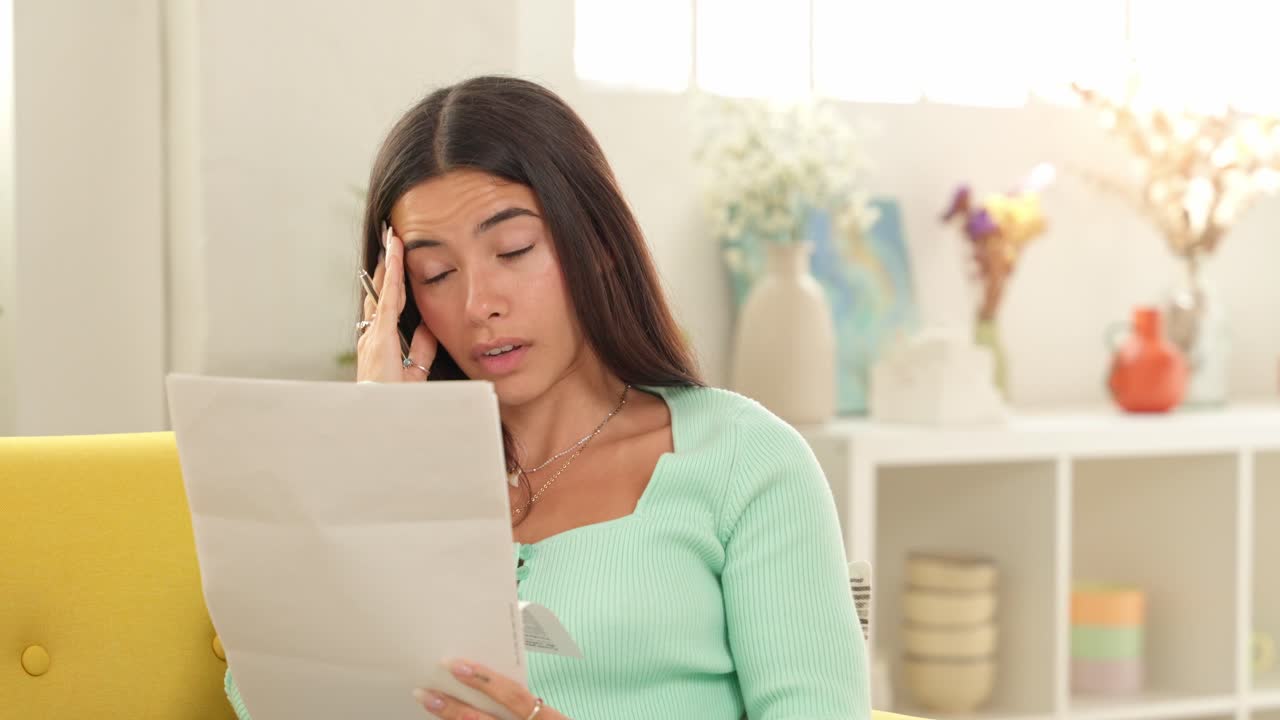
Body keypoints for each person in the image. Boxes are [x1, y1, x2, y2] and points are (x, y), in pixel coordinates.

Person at [226, 75, 869, 720]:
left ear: (601, 246)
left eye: (514, 249)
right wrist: (377, 444)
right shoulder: (393, 477)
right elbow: (269, 700)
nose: (480, 305)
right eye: (436, 274)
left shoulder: (744, 461)